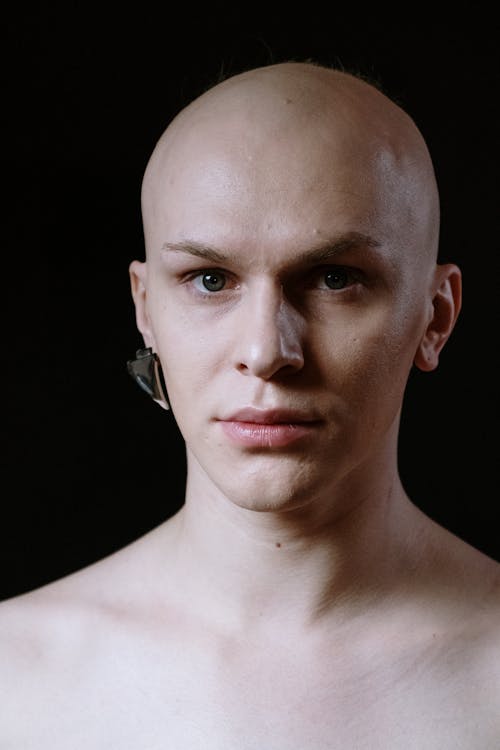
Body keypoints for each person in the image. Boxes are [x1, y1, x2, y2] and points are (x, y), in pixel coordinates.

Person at [1, 60, 499, 749]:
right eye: (210, 280)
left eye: (334, 279)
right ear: (146, 310)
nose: (266, 351)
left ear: (435, 316)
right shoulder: (15, 679)